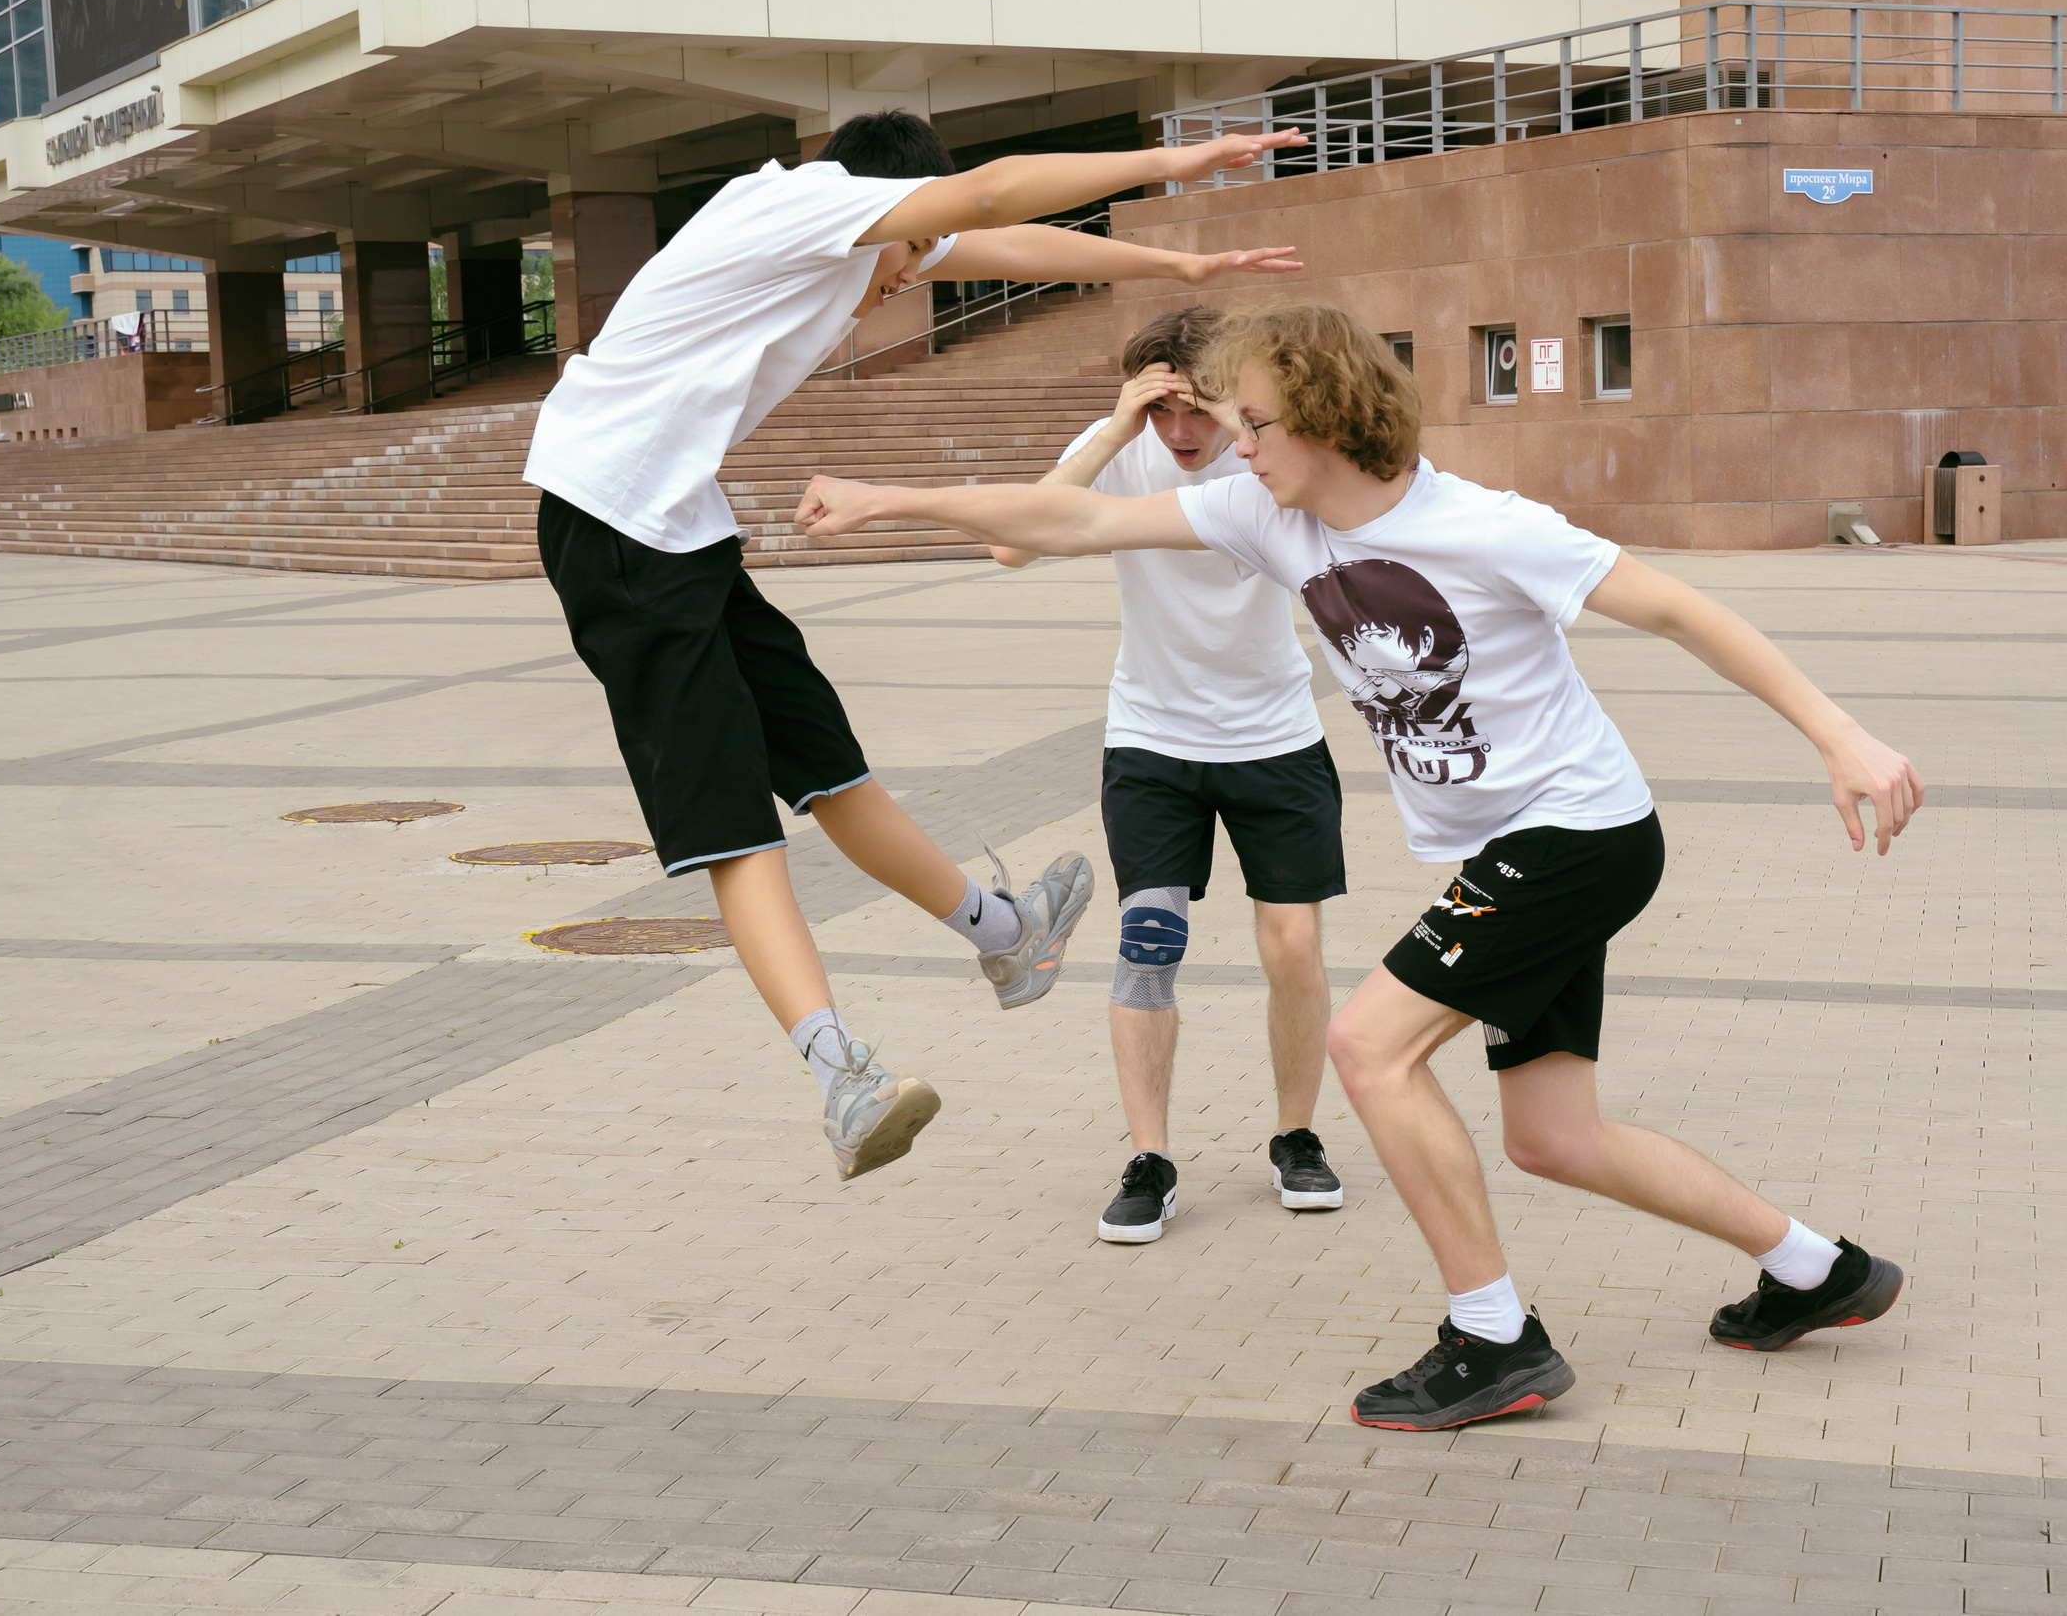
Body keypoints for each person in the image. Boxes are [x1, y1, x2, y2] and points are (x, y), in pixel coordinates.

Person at [792, 301, 1924, 1429]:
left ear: (1326, 423)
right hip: (1528, 845)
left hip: (1577, 835)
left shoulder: (1487, 526)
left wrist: (1841, 736)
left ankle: (1494, 1341)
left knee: (1368, 1045)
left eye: (1257, 424)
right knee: (1553, 1137)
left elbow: (1679, 608)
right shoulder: (1269, 516)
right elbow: (1069, 523)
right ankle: (1814, 1269)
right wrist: (894, 498)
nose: (1239, 446)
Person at [521, 110, 1307, 1183]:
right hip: (610, 530)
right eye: (906, 257)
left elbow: (1014, 244)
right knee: (735, 830)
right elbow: (991, 198)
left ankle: (1007, 935)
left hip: (680, 525)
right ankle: (840, 1076)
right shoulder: (800, 204)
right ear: (879, 200)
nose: (901, 284)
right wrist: (1175, 163)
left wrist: (1175, 256)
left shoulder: (854, 234)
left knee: (829, 767)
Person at [990, 305, 1347, 1244]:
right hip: (1152, 734)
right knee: (1149, 938)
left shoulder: (1269, 452)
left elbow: (1355, 522)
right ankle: (1149, 1157)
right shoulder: (1124, 445)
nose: (1180, 435)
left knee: (1295, 948)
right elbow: (1010, 543)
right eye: (1163, 412)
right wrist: (1116, 427)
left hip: (1275, 734)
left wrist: (1246, 422)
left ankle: (1297, 1136)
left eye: (1201, 411)